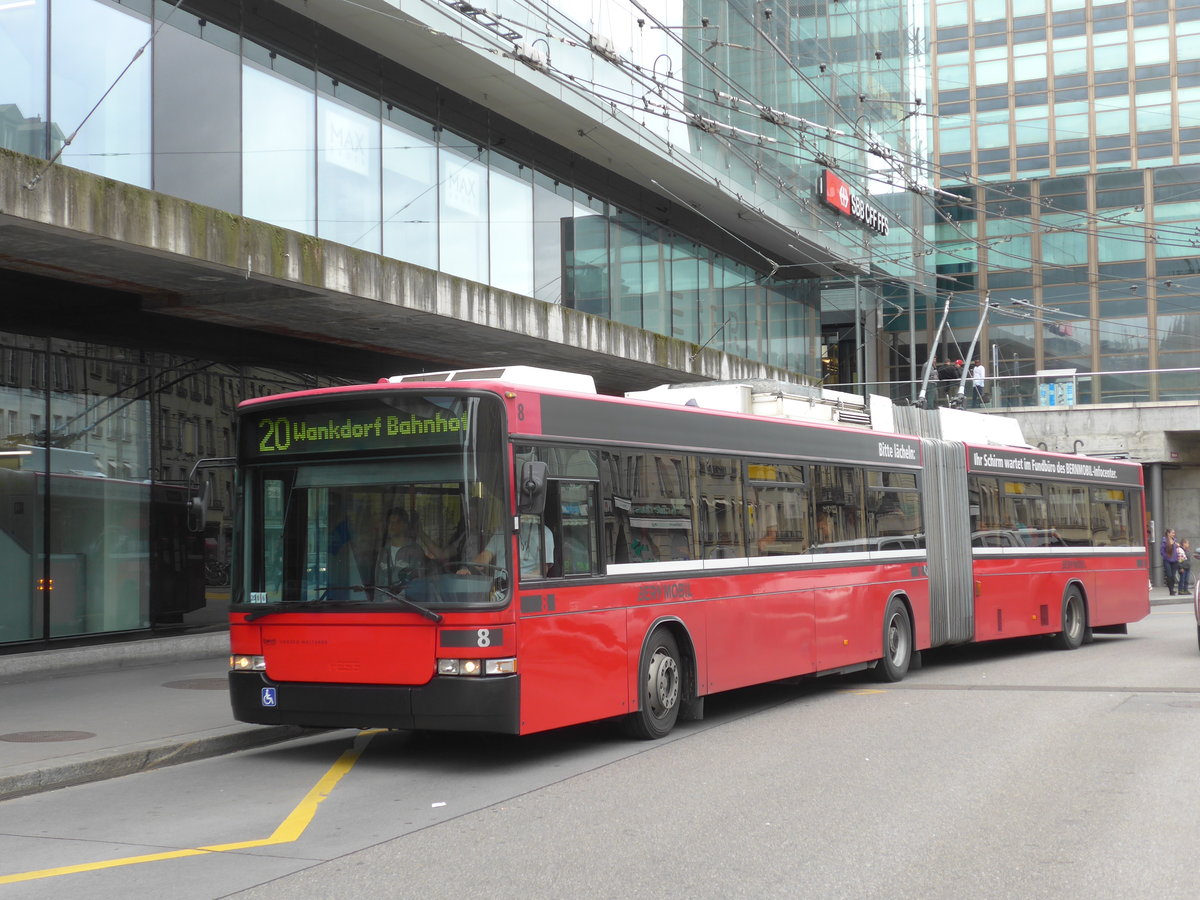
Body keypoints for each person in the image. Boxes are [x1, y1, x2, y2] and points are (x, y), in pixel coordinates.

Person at [1161, 527, 1179, 594]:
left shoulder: (1174, 540)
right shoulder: (1164, 540)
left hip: (1175, 561)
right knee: (1169, 575)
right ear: (1168, 533)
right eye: (1172, 533)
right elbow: (1162, 551)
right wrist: (1166, 557)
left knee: (1173, 576)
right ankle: (1171, 590)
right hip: (1167, 561)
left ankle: (1172, 589)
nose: (1174, 534)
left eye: (1174, 533)